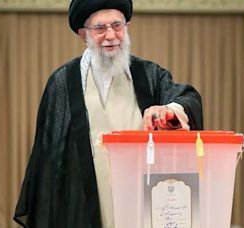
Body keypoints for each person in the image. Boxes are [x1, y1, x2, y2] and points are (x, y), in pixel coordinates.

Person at [13, 0, 203, 227]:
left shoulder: (149, 75)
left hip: (139, 199)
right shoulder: (62, 82)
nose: (111, 35)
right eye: (100, 28)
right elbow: (48, 159)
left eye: (117, 25)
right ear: (84, 35)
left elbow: (187, 98)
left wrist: (168, 110)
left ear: (127, 27)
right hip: (83, 204)